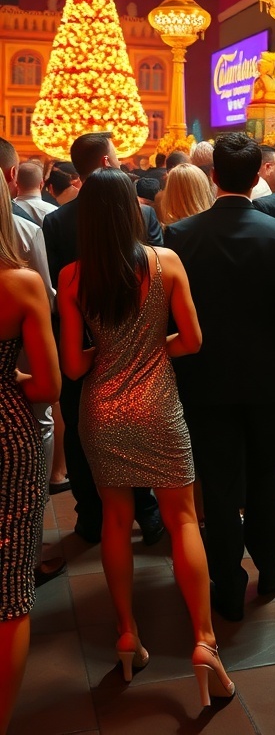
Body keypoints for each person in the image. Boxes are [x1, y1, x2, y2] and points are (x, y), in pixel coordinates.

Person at [57, 169, 234, 704]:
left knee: (115, 519)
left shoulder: (71, 277)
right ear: (134, 212)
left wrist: (109, 356)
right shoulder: (166, 263)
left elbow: (71, 364)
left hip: (102, 410)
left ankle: (128, 634)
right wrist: (154, 351)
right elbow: (195, 340)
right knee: (181, 519)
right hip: (158, 404)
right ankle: (203, 641)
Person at [165, 133, 275, 623]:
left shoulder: (181, 235)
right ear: (257, 176)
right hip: (262, 373)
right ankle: (270, 565)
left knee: (218, 476)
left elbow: (170, 315)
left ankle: (227, 581)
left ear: (213, 177)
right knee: (268, 471)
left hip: (202, 373)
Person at [44, 131, 164, 546]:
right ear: (109, 163)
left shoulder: (57, 220)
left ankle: (90, 517)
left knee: (81, 431)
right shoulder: (142, 216)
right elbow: (157, 282)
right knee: (142, 427)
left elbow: (59, 293)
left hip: (82, 341)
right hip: (137, 344)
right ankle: (147, 513)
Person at [0, 171, 61, 734]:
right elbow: (49, 386)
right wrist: (14, 378)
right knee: (11, 586)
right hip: (8, 434)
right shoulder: (19, 286)